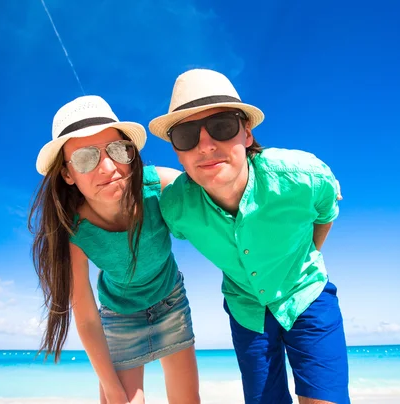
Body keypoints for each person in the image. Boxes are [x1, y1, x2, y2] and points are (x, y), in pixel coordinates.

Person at [149, 69, 349, 404]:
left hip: (307, 294)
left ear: (247, 133)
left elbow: (325, 214)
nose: (206, 145)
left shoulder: (302, 176)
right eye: (186, 135)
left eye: (222, 126)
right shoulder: (176, 209)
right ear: (176, 151)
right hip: (246, 311)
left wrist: (302, 260)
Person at [29, 95, 200, 404]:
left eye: (117, 150)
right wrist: (110, 388)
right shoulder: (74, 232)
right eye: (85, 158)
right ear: (67, 174)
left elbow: (214, 201)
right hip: (119, 315)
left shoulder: (157, 185)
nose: (108, 167)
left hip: (170, 300)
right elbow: (87, 318)